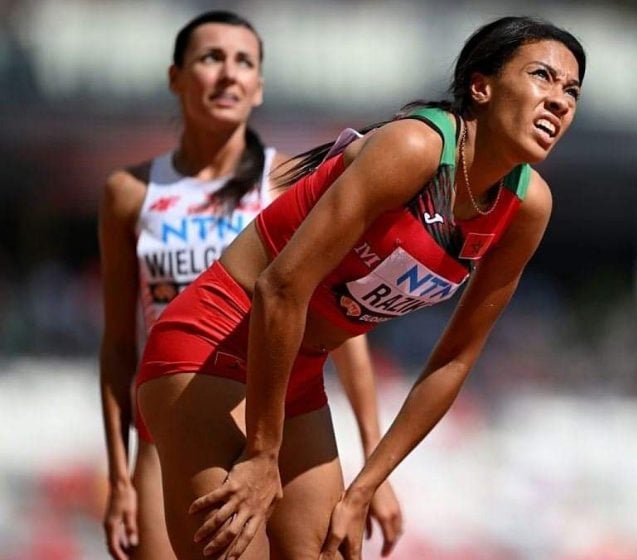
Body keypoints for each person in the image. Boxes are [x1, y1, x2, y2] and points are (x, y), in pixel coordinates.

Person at [136, 15, 586, 560]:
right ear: (481, 86)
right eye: (542, 76)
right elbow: (280, 288)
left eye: (572, 90)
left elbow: (454, 361)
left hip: (295, 371)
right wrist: (262, 453)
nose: (560, 100)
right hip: (210, 345)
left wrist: (367, 485)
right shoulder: (413, 149)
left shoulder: (527, 208)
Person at [98, 10, 402, 560]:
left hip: (275, 408)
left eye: (244, 63)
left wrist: (372, 464)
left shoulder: (289, 182)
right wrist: (118, 476)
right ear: (176, 77)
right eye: (211, 58)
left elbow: (341, 327)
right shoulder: (130, 193)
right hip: (178, 406)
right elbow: (119, 344)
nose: (228, 74)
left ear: (259, 86)